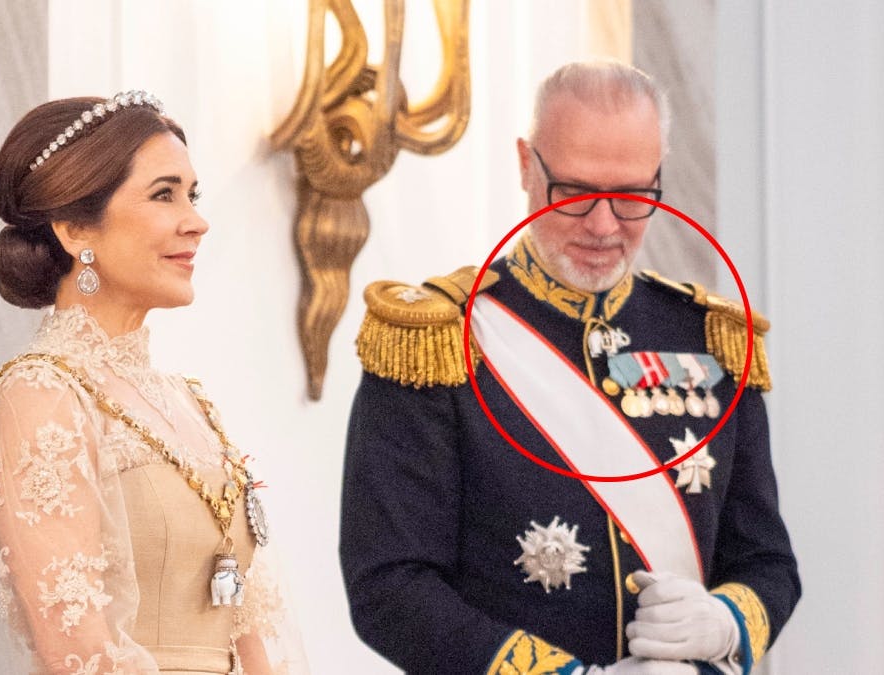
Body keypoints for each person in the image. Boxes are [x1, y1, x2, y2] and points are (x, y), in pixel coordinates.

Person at [340, 62, 800, 674]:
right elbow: (390, 586)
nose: (604, 226)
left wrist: (723, 623)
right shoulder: (436, 342)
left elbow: (767, 564)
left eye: (632, 197)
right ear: (526, 166)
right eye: (575, 192)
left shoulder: (712, 340)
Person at [0, 91, 306, 675]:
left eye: (192, 195)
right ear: (75, 229)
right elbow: (77, 651)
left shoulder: (189, 401)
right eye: (164, 194)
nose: (196, 221)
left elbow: (246, 630)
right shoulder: (41, 395)